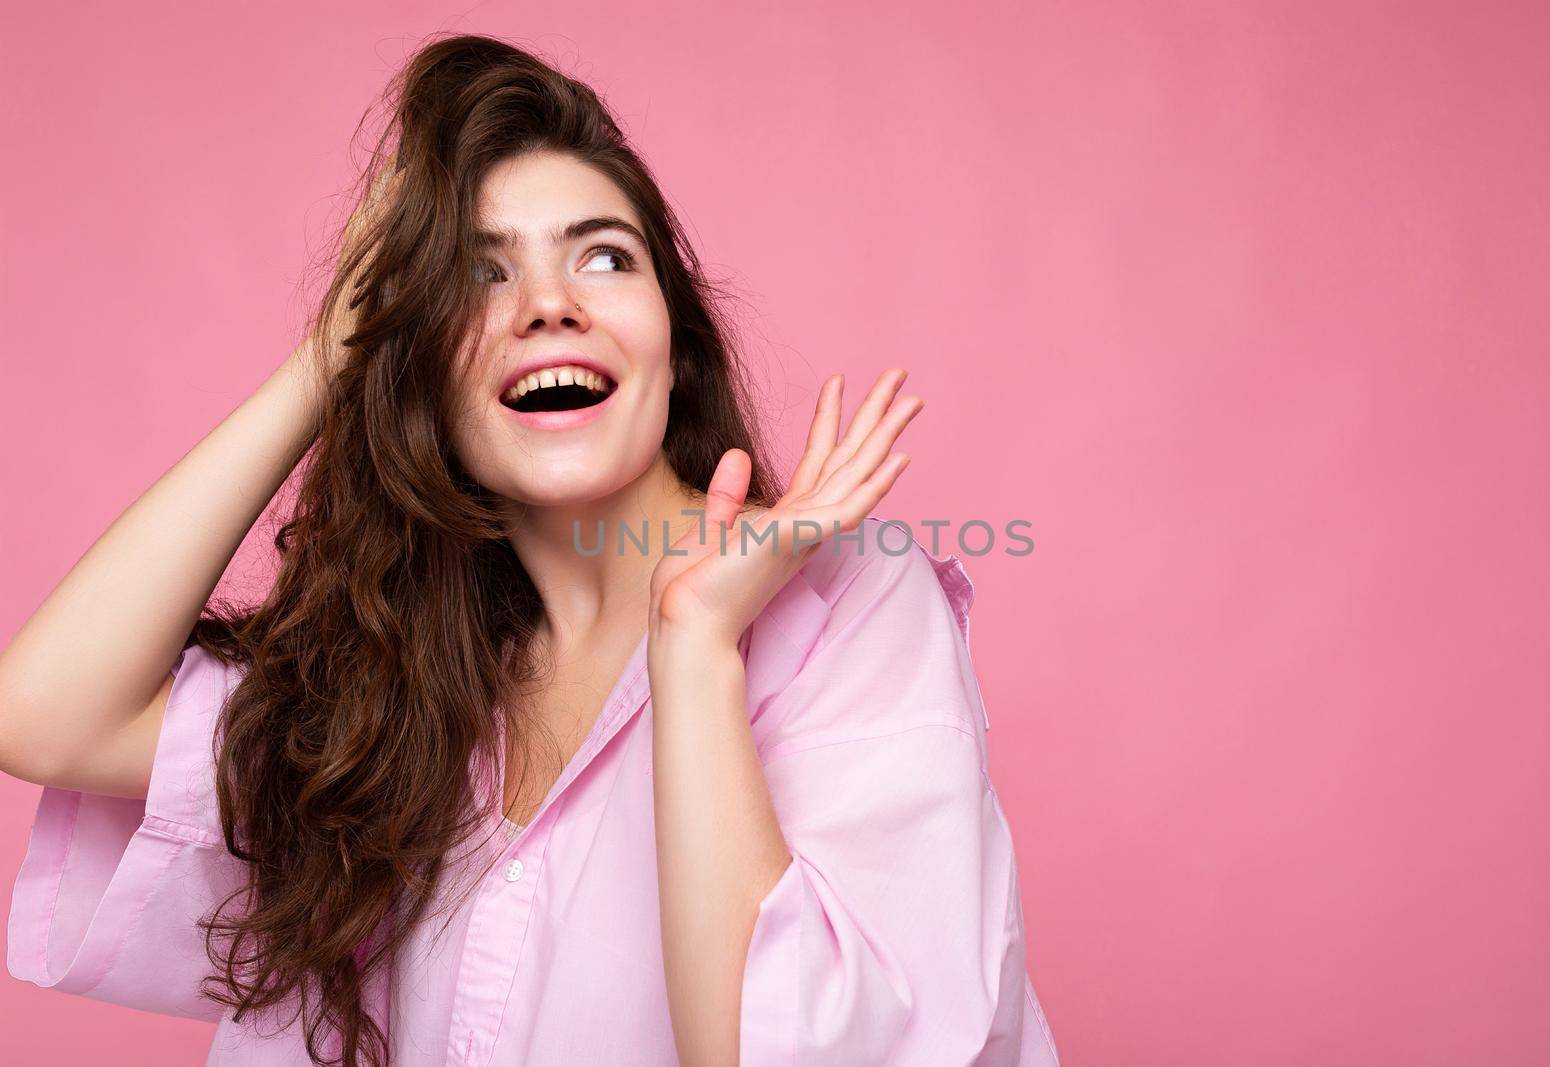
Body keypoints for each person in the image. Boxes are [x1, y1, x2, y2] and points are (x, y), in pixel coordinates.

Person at [0, 32, 1060, 1067]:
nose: (549, 304)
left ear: (673, 339)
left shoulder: (851, 606)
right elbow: (44, 716)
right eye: (477, 275)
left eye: (604, 255)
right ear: (414, 368)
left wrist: (693, 646)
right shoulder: (400, 673)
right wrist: (333, 351)